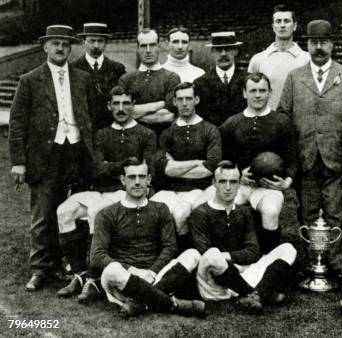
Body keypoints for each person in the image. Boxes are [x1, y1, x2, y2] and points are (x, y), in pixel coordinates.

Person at [9, 25, 96, 291]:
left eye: (65, 44)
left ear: (71, 48)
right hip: (44, 154)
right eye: (55, 43)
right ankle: (39, 268)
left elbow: (92, 116)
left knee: (74, 211)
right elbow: (18, 122)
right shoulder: (30, 79)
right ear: (45, 47)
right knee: (43, 212)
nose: (60, 48)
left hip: (76, 152)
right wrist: (19, 161)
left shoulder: (82, 78)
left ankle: (68, 264)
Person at [278, 19, 342, 273]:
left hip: (336, 156)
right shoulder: (295, 77)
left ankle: (338, 265)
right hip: (306, 156)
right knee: (307, 213)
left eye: (324, 42)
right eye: (314, 42)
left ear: (332, 44)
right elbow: (283, 114)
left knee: (337, 212)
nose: (318, 47)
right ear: (307, 44)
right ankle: (312, 263)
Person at [55, 86, 157, 300]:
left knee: (96, 211)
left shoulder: (146, 134)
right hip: (99, 190)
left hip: (125, 193)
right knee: (64, 211)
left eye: (126, 103)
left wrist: (111, 166)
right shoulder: (101, 134)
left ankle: (93, 279)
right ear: (109, 106)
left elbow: (147, 171)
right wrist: (125, 165)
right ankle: (79, 273)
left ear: (133, 106)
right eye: (116, 104)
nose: (121, 108)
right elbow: (95, 169)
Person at [91, 158, 206, 317]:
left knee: (193, 254)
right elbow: (97, 256)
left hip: (156, 276)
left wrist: (151, 271)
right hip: (123, 281)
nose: (137, 182)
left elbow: (170, 247)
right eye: (132, 177)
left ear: (149, 179)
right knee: (111, 270)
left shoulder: (160, 209)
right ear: (123, 180)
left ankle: (138, 303)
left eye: (142, 177)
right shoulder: (107, 214)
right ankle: (173, 304)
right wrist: (134, 271)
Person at [199, 72, 297, 254]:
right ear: (244, 93)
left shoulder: (282, 122)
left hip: (270, 188)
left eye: (262, 90)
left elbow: (292, 159)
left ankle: (269, 261)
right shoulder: (231, 123)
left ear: (270, 93)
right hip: (239, 185)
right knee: (216, 208)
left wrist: (286, 183)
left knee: (270, 211)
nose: (258, 95)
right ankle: (228, 260)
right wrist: (237, 174)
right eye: (253, 91)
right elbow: (223, 159)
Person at [188, 161, 298, 313]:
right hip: (215, 284)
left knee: (287, 248)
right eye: (222, 181)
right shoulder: (200, 213)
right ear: (214, 183)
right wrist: (235, 260)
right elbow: (204, 254)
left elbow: (253, 251)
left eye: (233, 182)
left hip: (243, 275)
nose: (228, 187)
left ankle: (255, 296)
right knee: (212, 255)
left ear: (240, 184)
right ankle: (259, 293)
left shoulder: (244, 212)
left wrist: (233, 260)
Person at [151, 82, 221, 244]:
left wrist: (177, 165)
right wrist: (197, 162)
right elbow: (165, 169)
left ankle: (183, 253)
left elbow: (209, 168)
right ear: (174, 102)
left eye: (188, 98)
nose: (184, 103)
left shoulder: (210, 130)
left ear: (196, 100)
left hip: (199, 189)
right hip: (169, 189)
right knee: (151, 213)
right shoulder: (167, 133)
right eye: (180, 99)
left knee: (180, 213)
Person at [118, 29, 181, 137]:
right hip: (133, 141)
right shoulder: (126, 79)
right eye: (143, 46)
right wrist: (159, 105)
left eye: (152, 45)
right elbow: (120, 112)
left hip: (162, 140)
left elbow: (168, 116)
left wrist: (132, 113)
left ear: (159, 47)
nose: (148, 50)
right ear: (137, 49)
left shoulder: (171, 78)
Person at [248, 4, 309, 110]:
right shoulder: (258, 60)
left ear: (294, 26)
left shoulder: (307, 59)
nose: (282, 25)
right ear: (273, 27)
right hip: (267, 122)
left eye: (286, 21)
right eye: (278, 21)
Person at [72, 22, 126, 132]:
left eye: (100, 41)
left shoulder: (117, 69)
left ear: (106, 43)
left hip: (111, 129)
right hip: (82, 131)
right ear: (84, 42)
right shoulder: (73, 69)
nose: (96, 45)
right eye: (92, 41)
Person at [193, 31, 247, 126]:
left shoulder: (247, 80)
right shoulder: (200, 83)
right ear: (213, 52)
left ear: (235, 51)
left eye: (227, 49)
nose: (223, 54)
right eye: (219, 49)